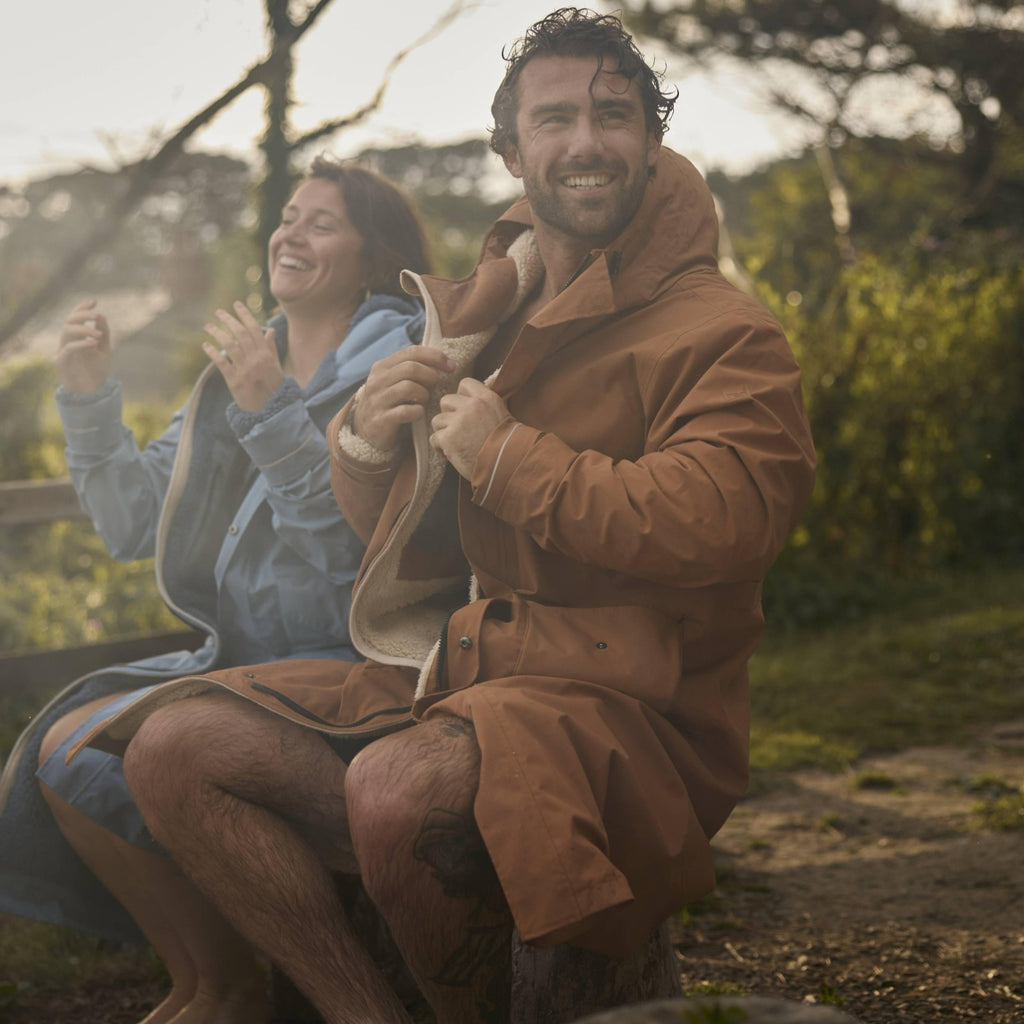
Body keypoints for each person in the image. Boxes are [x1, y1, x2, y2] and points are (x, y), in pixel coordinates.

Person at [86, 8, 817, 1023]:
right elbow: (410, 543)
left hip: (629, 705)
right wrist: (364, 444)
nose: (587, 142)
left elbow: (724, 519)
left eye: (614, 115)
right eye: (554, 119)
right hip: (457, 671)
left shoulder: (725, 330)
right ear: (510, 151)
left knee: (395, 792)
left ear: (653, 142)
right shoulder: (488, 313)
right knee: (172, 749)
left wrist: (509, 457)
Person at [0, 157, 430, 1023]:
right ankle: (215, 985)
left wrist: (272, 409)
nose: (290, 234)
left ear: (373, 258)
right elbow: (131, 523)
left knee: (125, 747)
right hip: (243, 662)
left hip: (356, 664)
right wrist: (88, 400)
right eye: (288, 216)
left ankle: (267, 996)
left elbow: (359, 563)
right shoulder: (237, 369)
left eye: (321, 222)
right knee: (67, 759)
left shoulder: (404, 364)